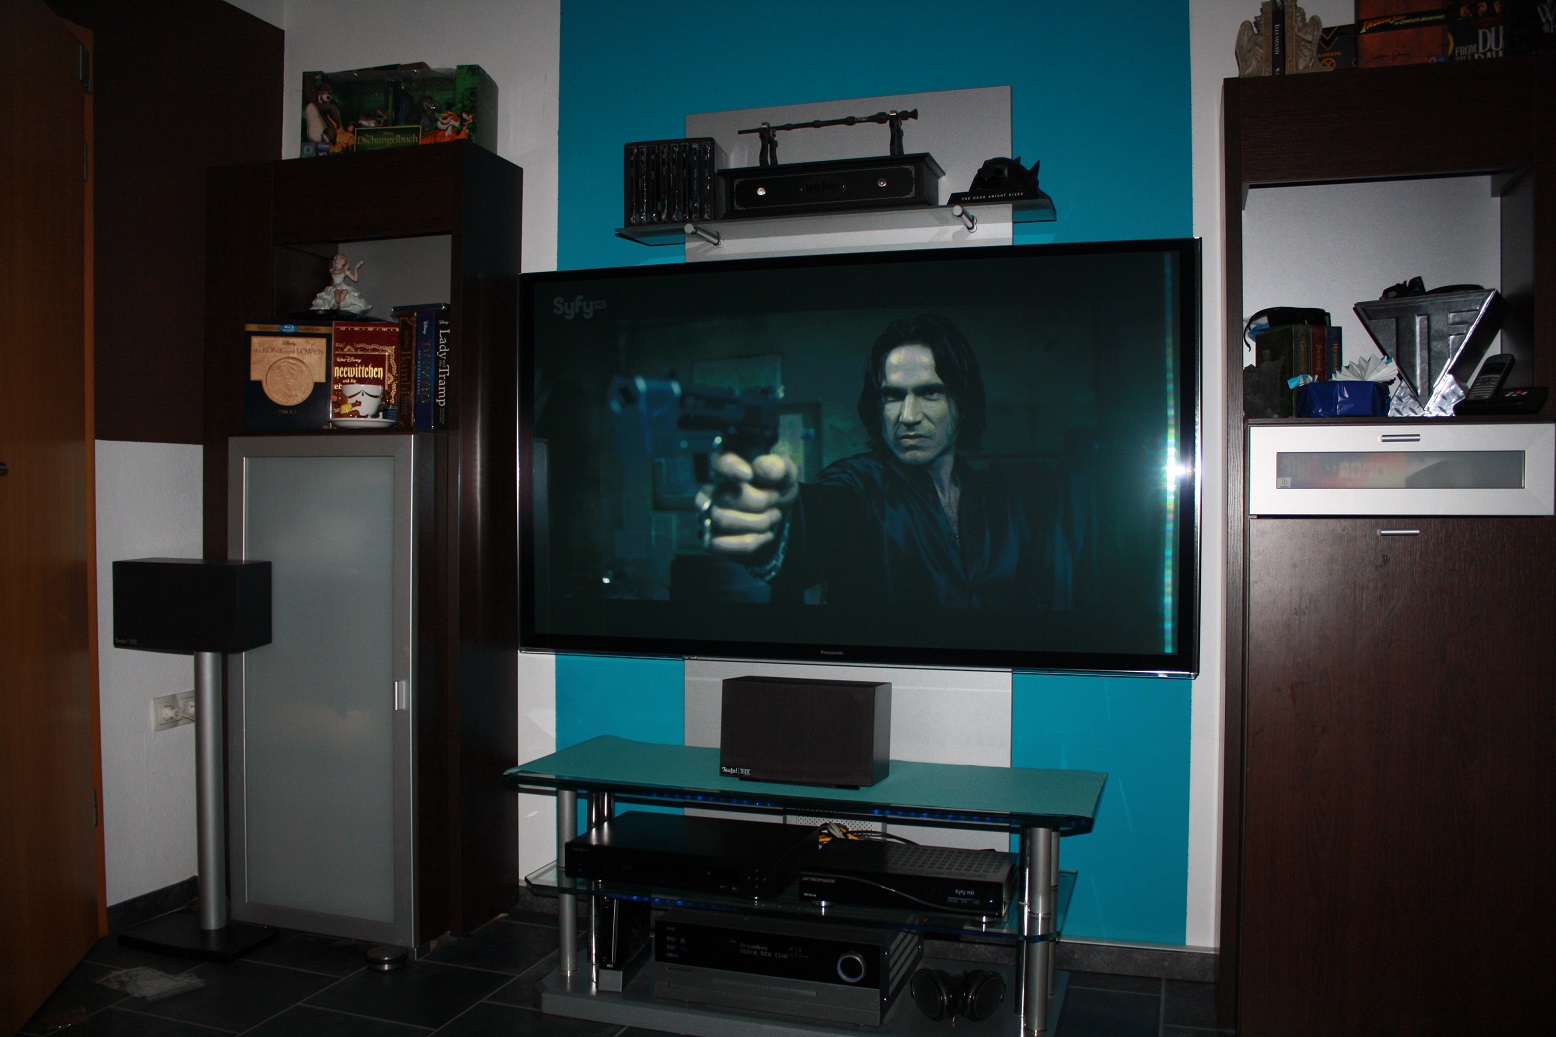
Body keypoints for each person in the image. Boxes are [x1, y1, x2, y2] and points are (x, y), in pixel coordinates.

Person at [697, 314, 1091, 610]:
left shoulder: (997, 500)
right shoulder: (860, 484)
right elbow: (821, 518)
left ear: (962, 402)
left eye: (930, 393)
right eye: (892, 396)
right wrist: (774, 521)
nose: (908, 415)